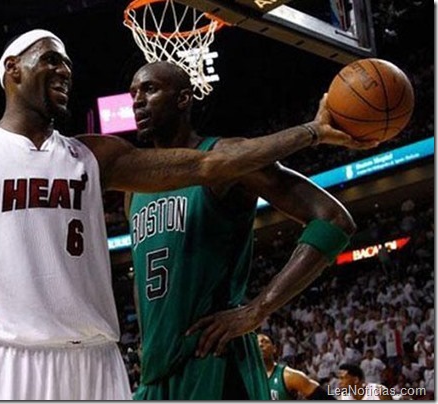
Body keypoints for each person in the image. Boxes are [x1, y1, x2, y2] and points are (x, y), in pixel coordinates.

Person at [0, 29, 374, 401]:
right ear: (12, 69)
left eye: (68, 64)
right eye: (51, 59)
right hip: (11, 359)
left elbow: (210, 164)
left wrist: (313, 131)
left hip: (102, 362)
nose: (64, 71)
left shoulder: (96, 156)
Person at [125, 61, 372, 399]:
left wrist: (258, 310)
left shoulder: (229, 157)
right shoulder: (134, 187)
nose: (138, 101)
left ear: (183, 98)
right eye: (133, 94)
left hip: (213, 359)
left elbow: (333, 219)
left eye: (150, 89)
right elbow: (141, 277)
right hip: (155, 369)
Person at [258, 333, 335, 400]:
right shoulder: (252, 380)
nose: (260, 345)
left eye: (265, 342)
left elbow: (325, 398)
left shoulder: (289, 376)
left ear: (274, 349)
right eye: (256, 344)